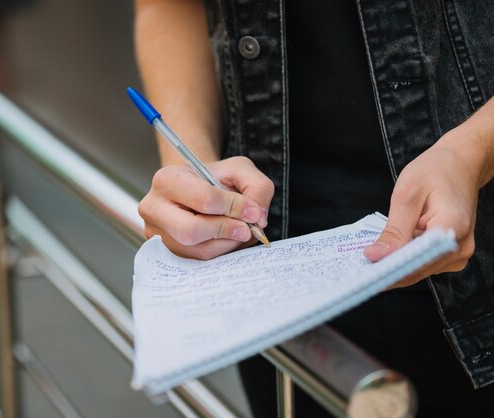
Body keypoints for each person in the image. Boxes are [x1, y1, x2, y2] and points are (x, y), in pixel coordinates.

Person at [133, 0, 494, 417]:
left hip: (478, 264)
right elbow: (168, 7)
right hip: (270, 282)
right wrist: (191, 175)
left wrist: (473, 152)